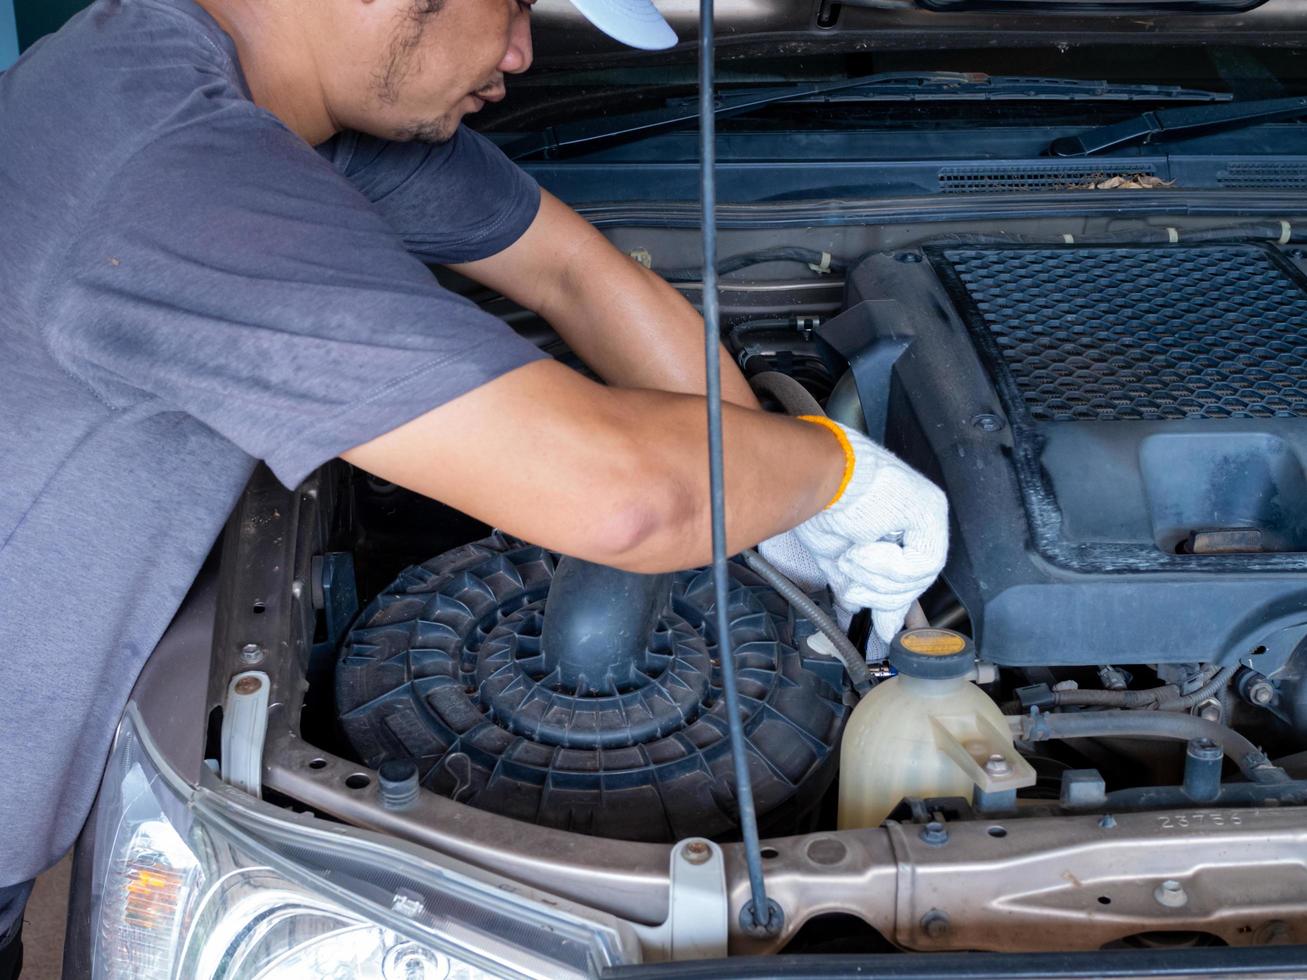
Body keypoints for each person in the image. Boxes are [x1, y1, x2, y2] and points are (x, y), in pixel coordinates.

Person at [0, 0, 948, 967]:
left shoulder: (256, 98)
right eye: (513, 3)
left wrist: (761, 494)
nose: (520, 54)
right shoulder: (175, 165)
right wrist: (837, 474)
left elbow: (573, 274)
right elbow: (621, 496)